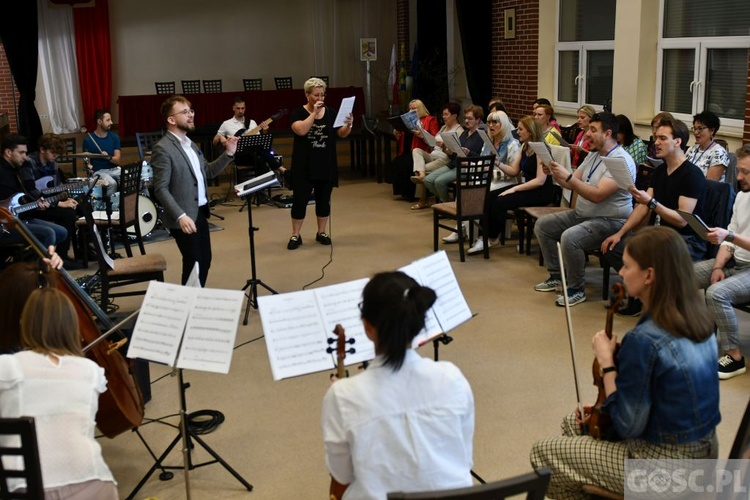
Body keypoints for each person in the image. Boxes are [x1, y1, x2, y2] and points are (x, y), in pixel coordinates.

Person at [530, 226, 720, 499]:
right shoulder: (699, 321)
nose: (620, 271)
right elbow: (668, 397)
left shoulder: (646, 339)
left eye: (627, 266)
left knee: (543, 452)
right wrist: (604, 409)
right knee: (574, 425)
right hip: (704, 453)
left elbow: (628, 426)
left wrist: (607, 362)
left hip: (665, 468)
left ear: (649, 275)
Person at [321, 271, 474, 500]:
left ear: (367, 327)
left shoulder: (342, 396)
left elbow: (342, 475)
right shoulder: (452, 378)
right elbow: (464, 457)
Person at [0, 287, 118, 498]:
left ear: (23, 325)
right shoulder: (91, 371)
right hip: (94, 483)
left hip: (26, 488)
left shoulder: (7, 366)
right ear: (72, 327)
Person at [601, 113, 707, 316]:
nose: (656, 142)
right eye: (656, 137)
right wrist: (621, 232)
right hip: (665, 235)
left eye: (662, 138)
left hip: (688, 241)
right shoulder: (660, 172)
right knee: (617, 247)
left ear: (678, 142)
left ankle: (654, 305)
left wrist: (651, 202)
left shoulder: (691, 174)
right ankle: (641, 296)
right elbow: (643, 207)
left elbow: (682, 220)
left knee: (648, 256)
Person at [534, 112, 636, 306]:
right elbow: (572, 183)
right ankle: (557, 276)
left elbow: (597, 195)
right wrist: (555, 173)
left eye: (593, 130)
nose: (587, 134)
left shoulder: (621, 161)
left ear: (607, 134)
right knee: (543, 225)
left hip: (610, 221)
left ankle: (576, 289)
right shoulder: (594, 155)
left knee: (570, 237)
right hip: (585, 215)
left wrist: (569, 177)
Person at [151, 95, 237, 286]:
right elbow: (160, 189)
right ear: (171, 119)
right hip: (183, 216)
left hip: (199, 211)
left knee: (204, 261)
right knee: (194, 264)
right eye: (184, 112)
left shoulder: (190, 144)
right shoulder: (163, 149)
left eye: (191, 110)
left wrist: (229, 153)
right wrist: (180, 216)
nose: (190, 115)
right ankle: (187, 308)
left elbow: (207, 171)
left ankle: (192, 302)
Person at [693, 144, 750, 380]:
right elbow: (730, 237)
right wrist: (717, 267)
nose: (738, 177)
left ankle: (735, 357)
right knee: (683, 274)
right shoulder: (742, 197)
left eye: (746, 172)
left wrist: (729, 237)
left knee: (716, 293)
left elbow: (731, 236)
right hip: (735, 263)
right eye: (738, 170)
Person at [470, 112, 550, 256]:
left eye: (520, 129)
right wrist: (498, 163)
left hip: (541, 192)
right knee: (489, 196)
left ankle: (492, 237)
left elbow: (540, 180)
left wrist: (514, 189)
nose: (517, 132)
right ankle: (484, 236)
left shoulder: (540, 148)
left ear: (530, 132)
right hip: (528, 187)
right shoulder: (525, 146)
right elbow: (514, 171)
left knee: (501, 202)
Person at [287, 77, 353, 250]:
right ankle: (295, 235)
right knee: (300, 201)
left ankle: (321, 232)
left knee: (323, 200)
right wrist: (314, 114)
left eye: (323, 95)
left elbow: (341, 133)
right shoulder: (298, 112)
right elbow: (301, 130)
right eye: (316, 95)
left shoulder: (331, 112)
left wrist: (348, 125)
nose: (320, 99)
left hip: (325, 163)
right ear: (307, 95)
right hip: (304, 165)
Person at [0, 134, 68, 257]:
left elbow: (21, 199)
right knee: (48, 234)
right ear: (8, 152)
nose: (25, 157)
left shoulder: (18, 170)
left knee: (61, 232)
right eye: (21, 153)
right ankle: (31, 270)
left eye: (25, 153)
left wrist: (35, 205)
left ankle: (25, 260)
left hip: (22, 217)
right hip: (5, 226)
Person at [25, 133, 82, 266]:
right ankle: (62, 256)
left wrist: (66, 197)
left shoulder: (53, 165)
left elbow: (56, 188)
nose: (56, 156)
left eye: (57, 153)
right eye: (53, 152)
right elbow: (32, 192)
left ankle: (84, 251)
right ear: (42, 149)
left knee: (81, 206)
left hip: (51, 201)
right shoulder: (29, 163)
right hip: (36, 205)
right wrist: (59, 203)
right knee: (68, 214)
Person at [409, 102, 463, 210]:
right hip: (433, 153)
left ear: (454, 116)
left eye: (446, 114)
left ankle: (424, 199)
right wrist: (423, 136)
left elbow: (456, 151)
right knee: (416, 150)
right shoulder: (443, 127)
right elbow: (433, 142)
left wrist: (444, 146)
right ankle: (423, 176)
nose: (443, 117)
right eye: (443, 114)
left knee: (418, 170)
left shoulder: (459, 131)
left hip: (444, 157)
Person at [391, 99, 439, 203]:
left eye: (414, 108)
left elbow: (435, 140)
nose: (411, 111)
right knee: (397, 162)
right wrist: (397, 134)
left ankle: (412, 194)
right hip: (407, 150)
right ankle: (403, 192)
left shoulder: (430, 120)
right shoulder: (407, 121)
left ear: (420, 109)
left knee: (409, 163)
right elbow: (403, 138)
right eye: (410, 109)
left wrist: (422, 135)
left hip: (422, 150)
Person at [82, 109, 121, 197]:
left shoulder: (115, 137)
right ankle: (110, 206)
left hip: (114, 169)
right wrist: (88, 166)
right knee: (112, 183)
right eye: (108, 120)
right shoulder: (88, 140)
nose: (111, 122)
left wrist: (108, 157)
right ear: (99, 121)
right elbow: (87, 162)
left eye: (110, 119)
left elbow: (118, 161)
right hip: (99, 171)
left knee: (131, 178)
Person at [685, 110, 729, 181]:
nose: (696, 132)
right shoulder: (692, 149)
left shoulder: (719, 153)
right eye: (695, 128)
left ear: (712, 130)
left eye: (700, 128)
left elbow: (710, 184)